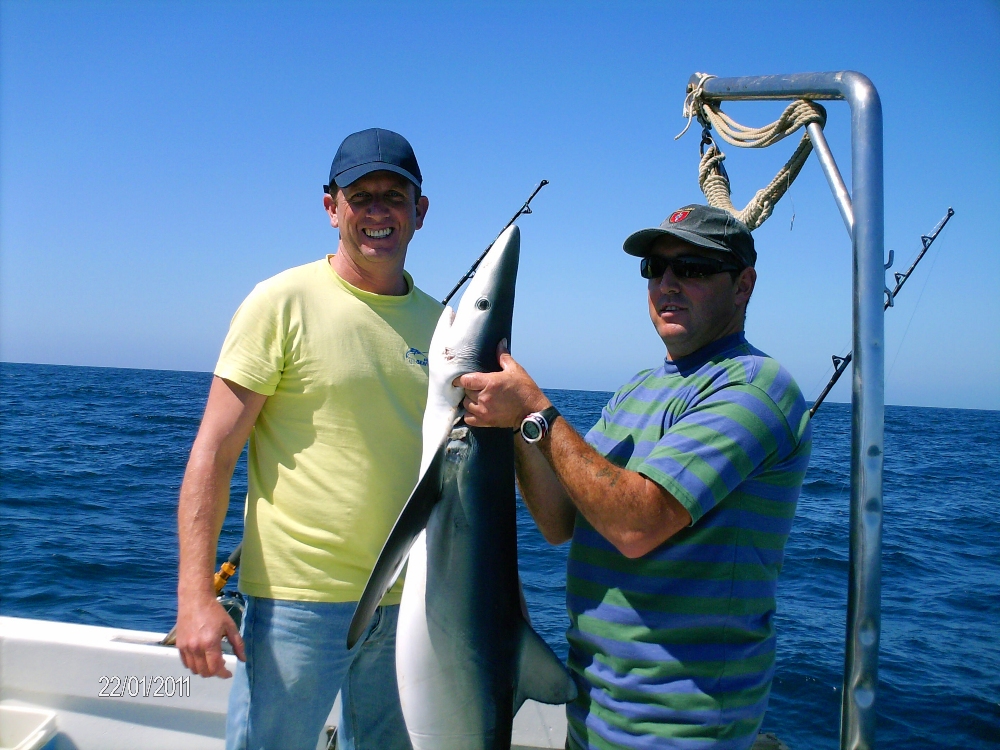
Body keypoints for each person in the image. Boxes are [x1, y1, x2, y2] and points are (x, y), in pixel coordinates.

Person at [458, 204, 812, 750]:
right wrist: (517, 423)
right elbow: (559, 521)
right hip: (591, 712)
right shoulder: (639, 388)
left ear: (743, 285)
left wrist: (536, 408)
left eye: (692, 268)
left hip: (677, 729)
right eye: (655, 268)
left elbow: (635, 524)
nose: (667, 283)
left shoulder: (757, 388)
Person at [175, 128, 442, 750]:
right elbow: (213, 452)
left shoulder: (444, 326)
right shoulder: (280, 302)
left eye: (394, 197)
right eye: (360, 196)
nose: (378, 212)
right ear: (332, 208)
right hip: (299, 600)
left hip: (411, 605)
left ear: (420, 211)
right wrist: (194, 595)